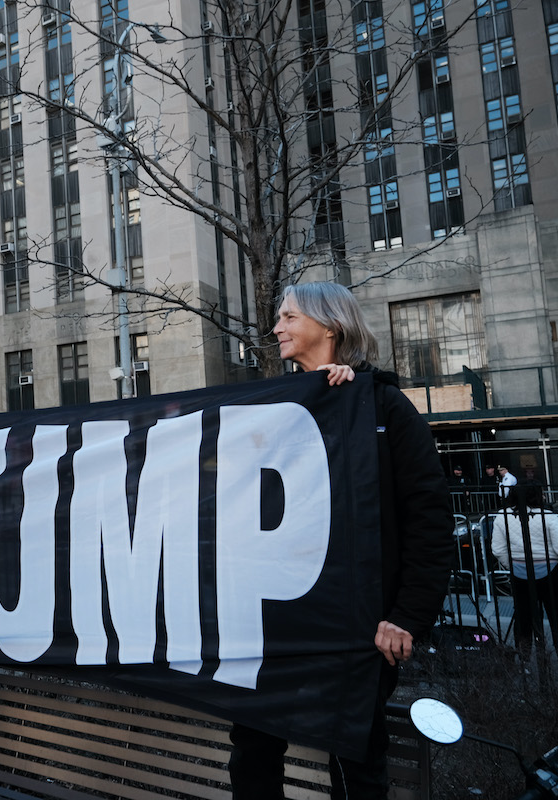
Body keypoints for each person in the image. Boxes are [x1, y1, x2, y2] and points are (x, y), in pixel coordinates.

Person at [228, 282, 452, 800]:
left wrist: (407, 615)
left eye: (288, 317)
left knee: (356, 766)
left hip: (357, 626)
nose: (277, 327)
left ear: (329, 326)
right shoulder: (274, 407)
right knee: (253, 756)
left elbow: (429, 518)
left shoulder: (384, 408)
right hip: (273, 625)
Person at [490, 484, 558, 659]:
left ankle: (524, 657)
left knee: (523, 615)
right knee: (555, 615)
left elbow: (498, 549)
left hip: (519, 571)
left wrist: (512, 565)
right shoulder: (548, 516)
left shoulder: (502, 516)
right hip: (550, 570)